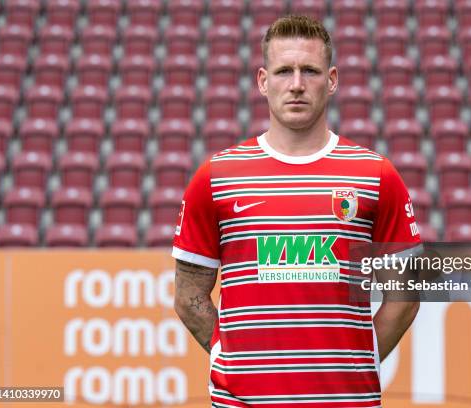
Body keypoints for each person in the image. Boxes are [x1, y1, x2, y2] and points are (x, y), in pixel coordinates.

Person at [172, 15, 422, 407]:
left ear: (333, 80)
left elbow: (405, 294)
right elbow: (189, 296)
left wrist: (361, 362)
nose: (297, 84)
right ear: (262, 81)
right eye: (284, 70)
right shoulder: (216, 176)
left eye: (310, 70)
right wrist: (229, 356)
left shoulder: (376, 174)